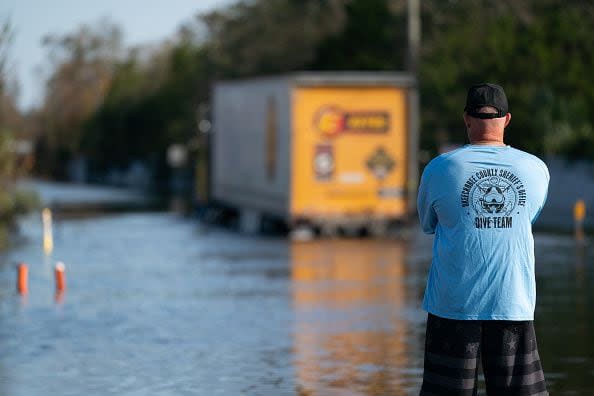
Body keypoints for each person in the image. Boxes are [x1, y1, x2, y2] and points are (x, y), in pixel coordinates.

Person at [417, 83, 550, 395]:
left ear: (466, 119)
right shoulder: (535, 169)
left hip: (453, 306)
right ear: (506, 120)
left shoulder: (439, 169)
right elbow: (527, 218)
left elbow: (428, 224)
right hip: (512, 304)